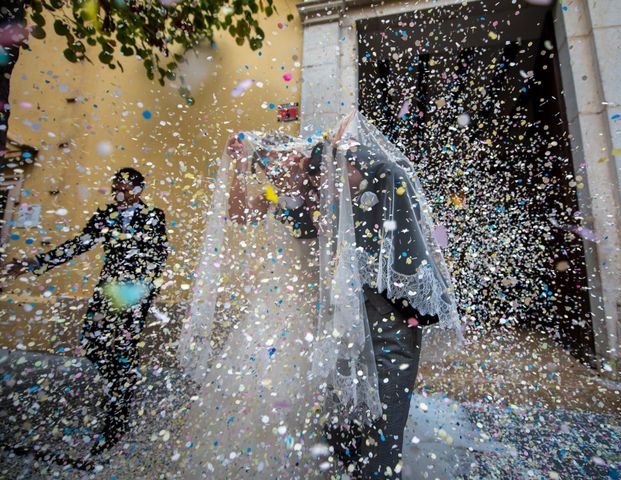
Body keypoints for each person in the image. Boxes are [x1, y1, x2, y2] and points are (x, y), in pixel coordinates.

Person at [298, 111, 461, 479]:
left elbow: (387, 169)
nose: (332, 178)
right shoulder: (345, 210)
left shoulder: (389, 187)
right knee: (344, 417)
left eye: (340, 168)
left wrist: (346, 148)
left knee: (384, 422)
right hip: (353, 332)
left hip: (392, 330)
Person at [176, 133, 327, 479]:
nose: (276, 167)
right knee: (259, 379)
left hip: (314, 303)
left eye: (281, 158)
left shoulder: (321, 190)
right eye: (268, 163)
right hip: (273, 302)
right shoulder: (272, 198)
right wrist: (240, 166)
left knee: (303, 384)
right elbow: (237, 213)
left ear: (297, 156)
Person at [3, 167, 168, 455]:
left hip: (134, 293)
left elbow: (159, 256)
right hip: (108, 291)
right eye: (117, 186)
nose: (121, 192)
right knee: (92, 342)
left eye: (127, 187)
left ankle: (118, 413)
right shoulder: (105, 214)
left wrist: (141, 292)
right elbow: (80, 243)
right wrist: (34, 263)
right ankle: (116, 385)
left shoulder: (154, 216)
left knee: (124, 351)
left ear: (139, 189)